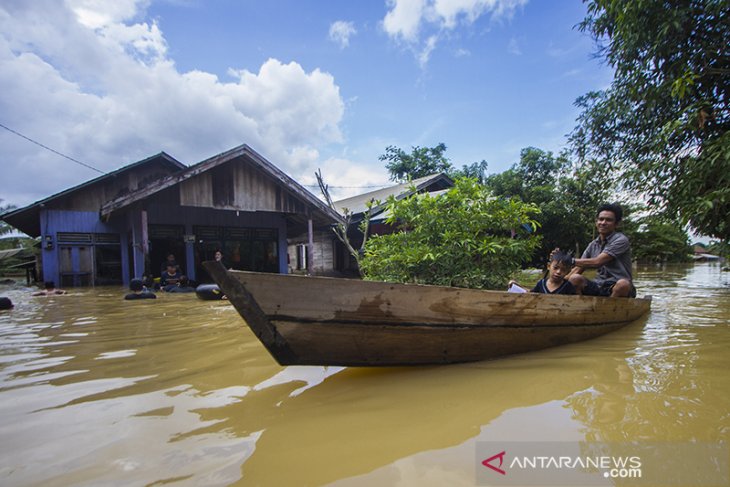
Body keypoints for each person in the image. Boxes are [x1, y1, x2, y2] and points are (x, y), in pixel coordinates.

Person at [567, 203, 636, 298]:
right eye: (601, 219)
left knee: (623, 284)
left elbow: (597, 262)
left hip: (619, 287)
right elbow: (579, 268)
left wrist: (570, 260)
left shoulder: (621, 240)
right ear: (596, 222)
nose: (603, 223)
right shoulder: (593, 245)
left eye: (608, 220)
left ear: (616, 224)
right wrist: (558, 282)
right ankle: (580, 308)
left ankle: (609, 311)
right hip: (599, 285)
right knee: (575, 278)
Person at [509, 250, 577, 295]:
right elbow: (530, 294)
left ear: (568, 272)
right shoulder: (541, 283)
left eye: (563, 270)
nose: (558, 272)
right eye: (555, 268)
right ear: (548, 266)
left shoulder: (568, 286)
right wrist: (516, 285)